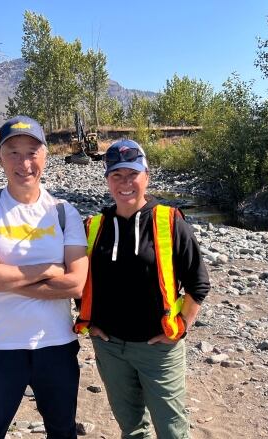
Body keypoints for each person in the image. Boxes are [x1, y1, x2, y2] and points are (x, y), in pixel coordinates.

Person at [0, 115, 88, 439]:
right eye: (13, 151)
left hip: (56, 345)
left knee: (62, 431)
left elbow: (75, 284)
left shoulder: (62, 212)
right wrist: (47, 270)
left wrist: (4, 276)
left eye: (32, 151)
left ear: (45, 155)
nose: (23, 162)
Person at [74, 139, 210, 439]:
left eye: (132, 174)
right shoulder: (93, 226)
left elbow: (198, 284)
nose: (125, 183)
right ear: (108, 179)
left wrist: (181, 326)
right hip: (110, 348)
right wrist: (92, 324)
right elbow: (78, 281)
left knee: (172, 431)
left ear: (146, 176)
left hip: (158, 349)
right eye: (117, 175)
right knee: (133, 429)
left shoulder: (169, 221)